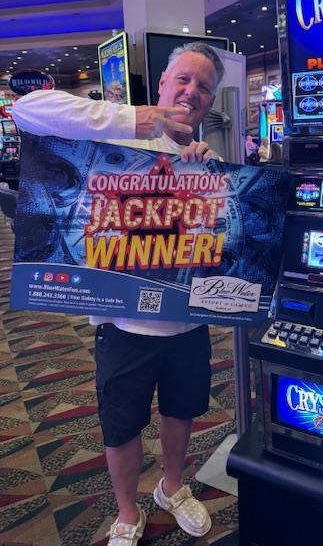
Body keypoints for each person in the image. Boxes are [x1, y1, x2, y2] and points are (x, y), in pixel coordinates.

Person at [12, 42, 225, 546]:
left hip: (187, 321)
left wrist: (209, 174)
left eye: (203, 87)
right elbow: (26, 109)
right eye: (183, 79)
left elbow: (223, 242)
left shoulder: (210, 158)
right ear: (163, 83)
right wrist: (131, 119)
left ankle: (172, 489)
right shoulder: (118, 131)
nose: (191, 92)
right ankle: (127, 513)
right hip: (123, 321)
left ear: (211, 101)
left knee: (181, 413)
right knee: (121, 425)